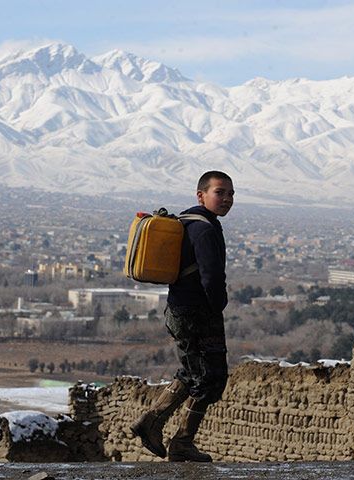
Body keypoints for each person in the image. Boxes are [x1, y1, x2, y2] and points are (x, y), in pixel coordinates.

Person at [130, 170, 234, 462]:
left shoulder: (187, 222)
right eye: (220, 192)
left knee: (193, 373)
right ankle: (178, 438)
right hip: (197, 313)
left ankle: (156, 425)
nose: (226, 199)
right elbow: (212, 276)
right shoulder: (205, 229)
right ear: (201, 195)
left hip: (179, 310)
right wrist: (218, 305)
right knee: (210, 379)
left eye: (231, 194)